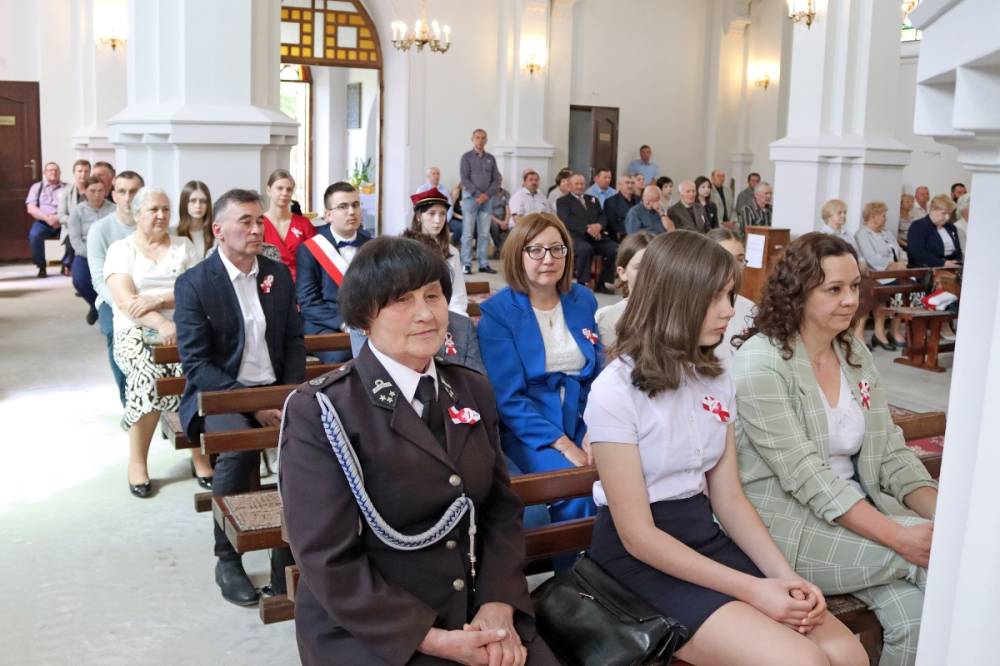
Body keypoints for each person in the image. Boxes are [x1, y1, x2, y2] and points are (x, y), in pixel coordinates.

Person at [586, 231, 865, 666]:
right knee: (801, 661)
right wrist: (754, 589)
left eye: (730, 295)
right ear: (675, 297)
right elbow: (638, 535)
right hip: (638, 559)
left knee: (847, 654)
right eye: (715, 297)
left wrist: (785, 577)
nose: (730, 311)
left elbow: (729, 499)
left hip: (704, 536)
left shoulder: (714, 377)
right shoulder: (615, 391)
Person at [280, 236, 557, 666]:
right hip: (377, 628)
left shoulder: (470, 388)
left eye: (432, 295)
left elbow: (500, 509)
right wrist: (429, 639)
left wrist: (498, 601)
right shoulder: (322, 411)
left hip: (475, 610)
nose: (425, 313)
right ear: (364, 318)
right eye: (402, 300)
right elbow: (326, 557)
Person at [732, 232, 938, 666]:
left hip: (857, 517)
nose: (850, 300)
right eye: (834, 289)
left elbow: (891, 454)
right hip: (787, 531)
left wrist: (946, 519)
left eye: (855, 286)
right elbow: (807, 476)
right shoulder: (761, 362)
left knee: (917, 619)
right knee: (943, 562)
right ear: (797, 293)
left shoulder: (853, 353)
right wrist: (901, 537)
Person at [174, 188, 304, 608]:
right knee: (238, 449)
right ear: (218, 230)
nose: (256, 229)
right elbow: (198, 365)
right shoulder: (195, 283)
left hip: (276, 391)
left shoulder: (277, 274)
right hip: (220, 395)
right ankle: (227, 558)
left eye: (259, 221)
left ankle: (287, 552)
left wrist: (286, 398)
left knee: (307, 446)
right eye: (245, 222)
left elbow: (294, 342)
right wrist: (254, 404)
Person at [478, 213, 601, 523]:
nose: (549, 259)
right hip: (531, 427)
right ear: (517, 255)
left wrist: (595, 428)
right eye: (536, 250)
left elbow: (597, 375)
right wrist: (563, 444)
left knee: (625, 474)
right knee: (577, 489)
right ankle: (574, 556)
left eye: (557, 249)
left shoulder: (583, 300)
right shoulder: (498, 313)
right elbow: (507, 398)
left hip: (584, 416)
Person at [104, 187, 202, 498]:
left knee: (197, 376)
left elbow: (197, 290)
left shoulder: (183, 246)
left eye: (165, 209)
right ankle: (137, 462)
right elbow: (126, 301)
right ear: (136, 215)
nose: (161, 215)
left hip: (183, 329)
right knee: (147, 377)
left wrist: (158, 298)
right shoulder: (121, 250)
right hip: (134, 331)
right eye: (153, 210)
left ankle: (199, 453)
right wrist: (161, 322)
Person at [296, 182, 372, 363]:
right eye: (343, 207)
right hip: (325, 323)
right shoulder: (310, 249)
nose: (352, 212)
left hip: (366, 322)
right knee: (344, 355)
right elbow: (308, 302)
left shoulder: (372, 245)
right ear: (328, 215)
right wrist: (344, 324)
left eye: (355, 205)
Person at [88, 171, 145, 407]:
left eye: (134, 191)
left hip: (148, 297)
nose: (128, 197)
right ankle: (128, 398)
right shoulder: (100, 229)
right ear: (114, 195)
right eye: (122, 191)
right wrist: (125, 304)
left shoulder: (153, 224)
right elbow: (98, 280)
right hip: (112, 301)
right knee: (116, 333)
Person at [404, 188, 469, 316]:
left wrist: (452, 318)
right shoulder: (406, 249)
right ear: (418, 216)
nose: (438, 220)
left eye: (442, 214)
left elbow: (458, 295)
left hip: (445, 315)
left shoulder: (452, 251)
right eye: (432, 213)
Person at [855, 201, 908, 350]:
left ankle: (894, 330)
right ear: (873, 216)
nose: (886, 218)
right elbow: (871, 257)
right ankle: (877, 333)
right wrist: (892, 266)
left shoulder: (887, 233)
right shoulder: (862, 234)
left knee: (906, 289)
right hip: (875, 274)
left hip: (894, 273)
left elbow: (900, 251)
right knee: (888, 289)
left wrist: (903, 261)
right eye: (883, 215)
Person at [556, 173, 618, 291]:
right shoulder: (563, 201)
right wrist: (588, 229)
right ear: (569, 185)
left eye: (582, 184)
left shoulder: (592, 199)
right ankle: (582, 283)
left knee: (614, 248)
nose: (580, 186)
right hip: (576, 237)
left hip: (596, 237)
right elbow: (567, 220)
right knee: (585, 249)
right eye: (576, 184)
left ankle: (602, 282)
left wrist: (599, 226)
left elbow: (603, 216)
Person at [68, 176, 116, 324]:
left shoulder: (114, 209)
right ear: (85, 192)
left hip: (110, 254)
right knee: (80, 280)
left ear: (106, 192)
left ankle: (109, 308)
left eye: (100, 190)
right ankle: (96, 306)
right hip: (85, 254)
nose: (97, 195)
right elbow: (75, 239)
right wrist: (93, 256)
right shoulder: (78, 211)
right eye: (92, 191)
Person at [707, 228, 756, 365]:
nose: (734, 267)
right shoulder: (691, 306)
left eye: (740, 259)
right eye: (726, 258)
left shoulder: (750, 308)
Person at [594, 231, 652, 346]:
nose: (647, 273)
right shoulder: (609, 318)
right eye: (639, 267)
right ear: (622, 273)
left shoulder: (676, 315)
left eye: (654, 266)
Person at [459, 128, 501, 275]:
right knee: (468, 234)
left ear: (486, 140)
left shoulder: (491, 158)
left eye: (483, 138)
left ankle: (483, 264)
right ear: (472, 139)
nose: (480, 140)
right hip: (471, 199)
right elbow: (464, 179)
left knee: (484, 234)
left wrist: (486, 195)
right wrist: (478, 194)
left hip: (487, 201)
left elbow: (496, 179)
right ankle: (466, 264)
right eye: (477, 137)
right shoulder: (466, 157)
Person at [262, 169, 316, 281]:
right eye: (280, 188)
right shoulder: (259, 223)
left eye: (289, 189)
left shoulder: (304, 223)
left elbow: (314, 257)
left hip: (301, 283)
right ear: (268, 190)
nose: (285, 193)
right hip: (270, 282)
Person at [25, 161, 66, 278]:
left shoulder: (67, 188)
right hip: (43, 221)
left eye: (56, 170)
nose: (53, 172)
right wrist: (47, 218)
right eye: (50, 170)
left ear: (60, 172)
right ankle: (41, 266)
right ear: (44, 173)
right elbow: (31, 208)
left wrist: (58, 218)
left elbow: (73, 207)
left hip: (63, 221)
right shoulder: (37, 187)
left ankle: (66, 264)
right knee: (34, 235)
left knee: (74, 233)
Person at [907, 194, 962, 268]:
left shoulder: (951, 227)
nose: (947, 217)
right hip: (926, 269)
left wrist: (956, 262)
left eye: (949, 214)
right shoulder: (918, 226)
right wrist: (943, 263)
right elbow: (917, 252)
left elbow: (958, 251)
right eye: (944, 213)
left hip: (951, 267)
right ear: (932, 210)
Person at [57, 159, 92, 275]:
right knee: (72, 238)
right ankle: (70, 265)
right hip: (71, 227)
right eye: (80, 171)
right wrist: (75, 221)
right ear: (74, 173)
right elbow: (61, 215)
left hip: (91, 226)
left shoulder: (94, 190)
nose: (83, 174)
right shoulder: (66, 191)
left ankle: (69, 264)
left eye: (86, 171)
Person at [177, 180, 215, 259]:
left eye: (203, 201)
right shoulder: (173, 233)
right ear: (184, 203)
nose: (198, 205)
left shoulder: (216, 234)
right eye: (193, 201)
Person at [603, 175, 640, 241]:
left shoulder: (639, 200)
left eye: (632, 183)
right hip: (621, 237)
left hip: (639, 234)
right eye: (627, 183)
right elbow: (612, 225)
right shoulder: (610, 202)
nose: (630, 186)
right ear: (620, 185)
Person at [489, 174, 512, 258]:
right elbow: (488, 212)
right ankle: (499, 248)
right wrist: (500, 223)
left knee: (510, 226)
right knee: (494, 225)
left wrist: (506, 221)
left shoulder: (506, 193)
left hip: (504, 218)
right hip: (493, 219)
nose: (498, 183)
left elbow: (508, 208)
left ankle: (502, 250)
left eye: (499, 181)